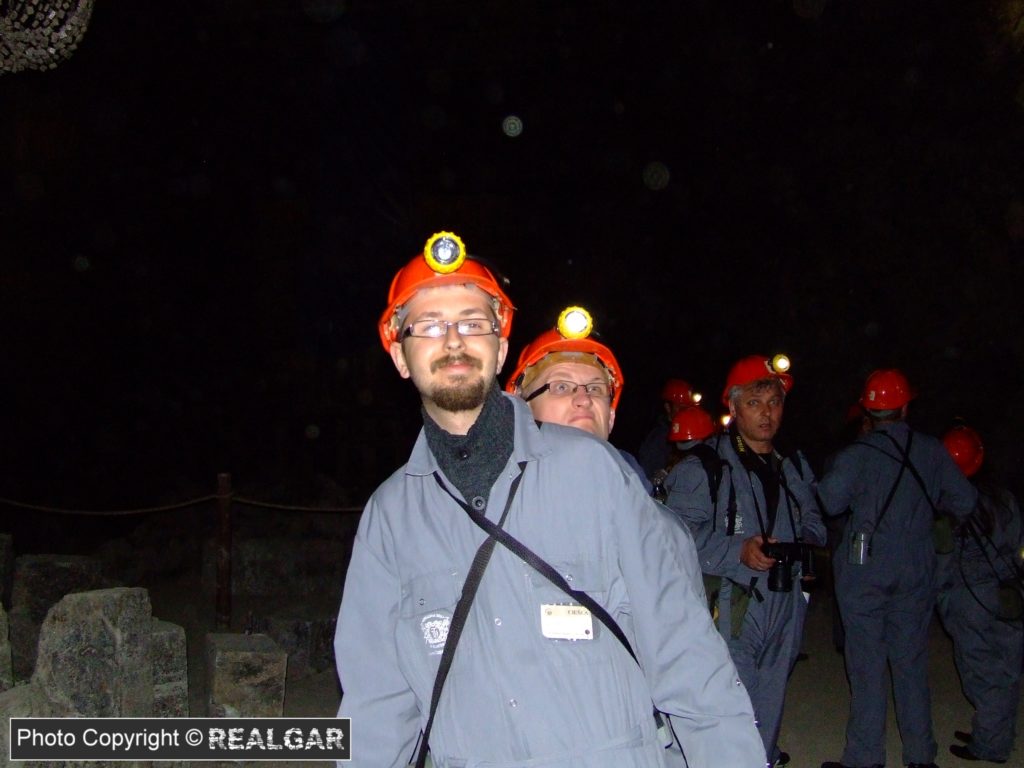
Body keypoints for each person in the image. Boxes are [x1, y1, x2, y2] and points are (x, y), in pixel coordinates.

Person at [334, 232, 766, 768]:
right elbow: (376, 707)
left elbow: (691, 663)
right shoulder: (390, 517)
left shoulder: (595, 474)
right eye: (429, 326)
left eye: (473, 322)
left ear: (501, 347)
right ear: (399, 354)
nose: (453, 340)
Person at [664, 354, 826, 768]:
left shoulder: (792, 464)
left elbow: (815, 518)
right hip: (731, 602)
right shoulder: (706, 466)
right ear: (732, 408)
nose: (766, 413)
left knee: (770, 702)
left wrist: (806, 542)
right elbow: (672, 536)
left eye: (773, 402)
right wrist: (737, 550)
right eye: (754, 403)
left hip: (785, 598)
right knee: (732, 705)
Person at [816, 369, 978, 768]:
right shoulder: (932, 451)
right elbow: (966, 501)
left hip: (864, 570)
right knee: (911, 664)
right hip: (915, 571)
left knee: (867, 666)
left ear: (868, 409)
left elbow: (830, 502)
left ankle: (865, 758)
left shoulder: (856, 454)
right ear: (906, 407)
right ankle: (921, 756)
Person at [935, 425, 1023, 765]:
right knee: (1006, 665)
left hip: (970, 595)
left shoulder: (950, 504)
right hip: (1008, 589)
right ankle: (996, 732)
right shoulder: (1003, 497)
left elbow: (943, 557)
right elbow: (1018, 543)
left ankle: (990, 745)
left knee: (982, 671)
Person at [505, 304, 651, 494]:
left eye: (595, 388)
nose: (585, 399)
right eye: (562, 387)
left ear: (610, 417)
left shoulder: (641, 500)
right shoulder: (489, 493)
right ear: (521, 410)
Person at [637, 378, 701, 480]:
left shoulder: (693, 435)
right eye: (680, 408)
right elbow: (646, 478)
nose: (684, 413)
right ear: (668, 407)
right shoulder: (659, 439)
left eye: (687, 408)